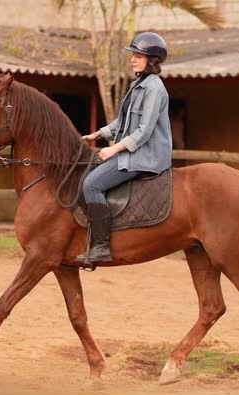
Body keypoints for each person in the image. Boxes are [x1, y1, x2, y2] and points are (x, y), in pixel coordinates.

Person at [77, 32, 173, 264]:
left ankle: (101, 247)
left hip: (145, 156)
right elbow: (121, 123)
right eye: (134, 55)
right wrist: (97, 134)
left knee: (92, 185)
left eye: (138, 56)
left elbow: (144, 132)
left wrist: (113, 149)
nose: (132, 59)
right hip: (132, 151)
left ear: (152, 60)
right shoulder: (137, 85)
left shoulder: (155, 89)